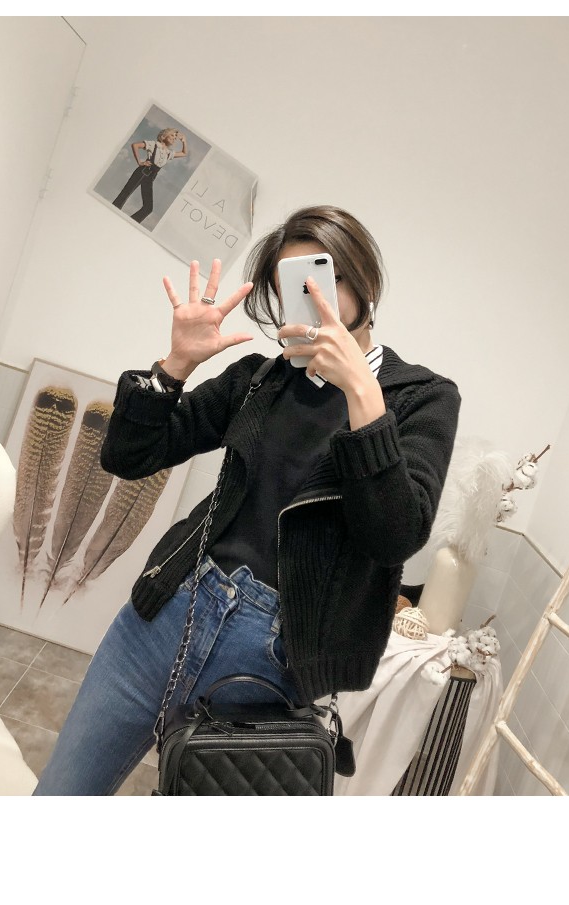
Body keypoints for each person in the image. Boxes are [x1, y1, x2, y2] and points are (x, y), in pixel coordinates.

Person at [34, 205, 460, 795]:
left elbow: (394, 535)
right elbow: (128, 456)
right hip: (165, 617)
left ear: (364, 280)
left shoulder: (422, 398)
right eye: (292, 284)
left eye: (325, 276)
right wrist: (175, 366)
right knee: (61, 794)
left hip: (272, 665)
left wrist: (363, 394)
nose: (310, 296)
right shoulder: (260, 379)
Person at [111, 127, 188, 225]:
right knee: (124, 195)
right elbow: (135, 145)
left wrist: (184, 141)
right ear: (163, 136)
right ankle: (110, 216)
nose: (174, 138)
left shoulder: (168, 153)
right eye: (172, 135)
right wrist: (140, 162)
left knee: (148, 208)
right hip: (142, 172)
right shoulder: (154, 144)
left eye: (175, 137)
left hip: (150, 178)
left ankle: (129, 224)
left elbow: (184, 153)